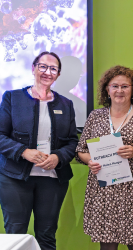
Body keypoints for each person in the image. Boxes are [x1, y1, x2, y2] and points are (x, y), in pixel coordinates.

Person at [76, 65, 133, 250]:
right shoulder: (96, 116)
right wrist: (90, 161)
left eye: (125, 86)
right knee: (107, 246)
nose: (119, 90)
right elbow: (81, 149)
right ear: (107, 89)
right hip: (104, 189)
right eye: (114, 86)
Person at [0, 51, 78, 250]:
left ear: (58, 74)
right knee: (16, 236)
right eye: (42, 66)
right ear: (33, 68)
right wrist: (24, 151)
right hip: (15, 177)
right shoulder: (12, 98)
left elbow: (71, 141)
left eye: (53, 69)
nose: (47, 72)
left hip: (52, 179)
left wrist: (58, 157)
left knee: (46, 235)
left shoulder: (66, 104)